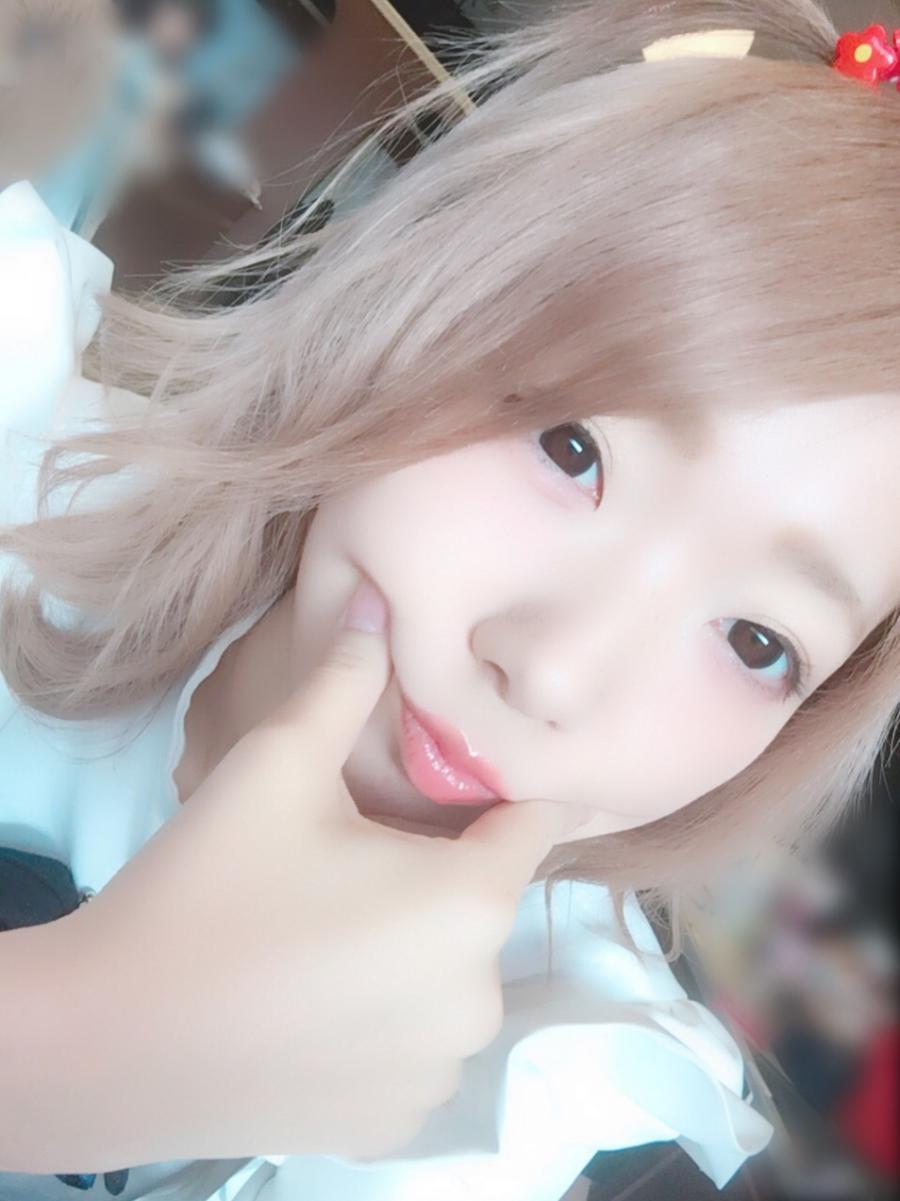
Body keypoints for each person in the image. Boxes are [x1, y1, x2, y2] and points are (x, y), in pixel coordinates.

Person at [2, 0, 900, 1196]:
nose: (557, 671)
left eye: (756, 639)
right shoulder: (20, 431)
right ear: (416, 310)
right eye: (574, 449)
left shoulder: (542, 1090)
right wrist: (64, 1052)